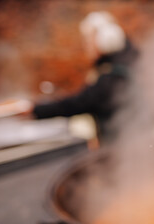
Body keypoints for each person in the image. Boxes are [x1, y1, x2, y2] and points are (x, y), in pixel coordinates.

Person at [30, 11, 139, 140]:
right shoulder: (125, 64)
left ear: (103, 40)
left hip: (125, 142)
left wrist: (35, 110)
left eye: (89, 41)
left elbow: (79, 103)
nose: (87, 46)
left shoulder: (114, 75)